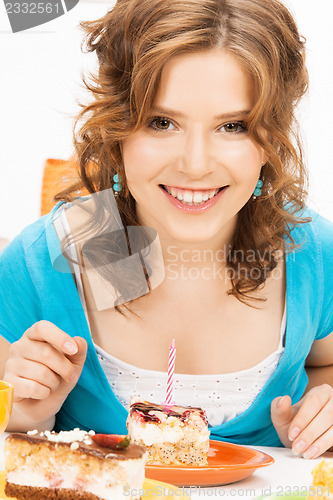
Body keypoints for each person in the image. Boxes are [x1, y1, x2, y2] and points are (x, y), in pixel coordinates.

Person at [0, 0, 333, 461]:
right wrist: (27, 416)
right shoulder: (49, 257)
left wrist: (323, 409)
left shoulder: (308, 249)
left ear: (271, 139)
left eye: (233, 126)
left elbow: (326, 364)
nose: (195, 165)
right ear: (117, 127)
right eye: (162, 122)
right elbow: (13, 418)